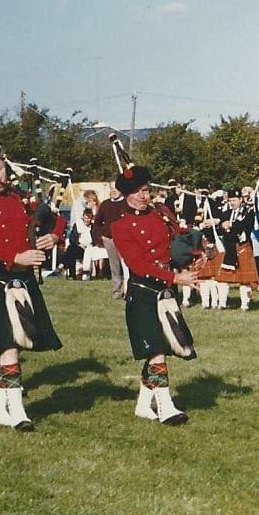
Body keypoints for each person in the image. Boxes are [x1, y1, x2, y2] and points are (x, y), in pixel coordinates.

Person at [0, 149, 63, 431]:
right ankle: (18, 411)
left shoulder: (22, 200)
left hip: (23, 280)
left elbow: (54, 218)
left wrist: (52, 235)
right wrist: (16, 257)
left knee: (14, 343)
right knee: (7, 344)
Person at [110, 165, 198, 426]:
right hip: (143, 292)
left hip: (166, 291)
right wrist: (174, 277)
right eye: (136, 192)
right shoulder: (120, 226)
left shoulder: (161, 214)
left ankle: (142, 405)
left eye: (146, 190)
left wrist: (195, 252)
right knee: (156, 348)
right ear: (125, 195)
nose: (143, 196)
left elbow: (176, 240)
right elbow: (137, 265)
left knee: (162, 347)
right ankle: (166, 406)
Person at [92, 186, 129, 298]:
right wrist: (101, 236)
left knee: (127, 266)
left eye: (116, 188)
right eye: (112, 188)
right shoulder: (105, 204)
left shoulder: (127, 203)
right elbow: (97, 222)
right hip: (109, 239)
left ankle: (128, 289)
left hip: (125, 240)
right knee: (114, 267)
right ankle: (117, 291)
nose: (113, 191)